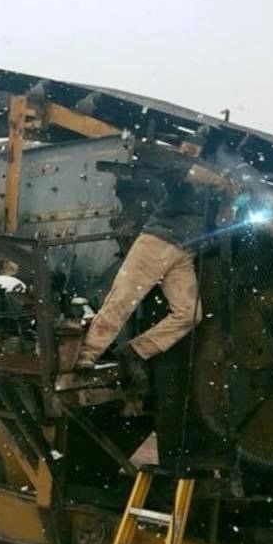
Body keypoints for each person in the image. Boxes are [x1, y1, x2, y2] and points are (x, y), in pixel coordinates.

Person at [64, 141, 230, 391]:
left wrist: (229, 194)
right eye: (187, 145)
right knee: (123, 298)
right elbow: (177, 171)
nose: (189, 150)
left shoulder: (212, 193)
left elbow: (224, 220)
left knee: (189, 314)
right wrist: (218, 180)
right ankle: (88, 354)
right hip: (157, 243)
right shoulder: (179, 169)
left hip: (184, 253)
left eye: (195, 146)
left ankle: (135, 351)